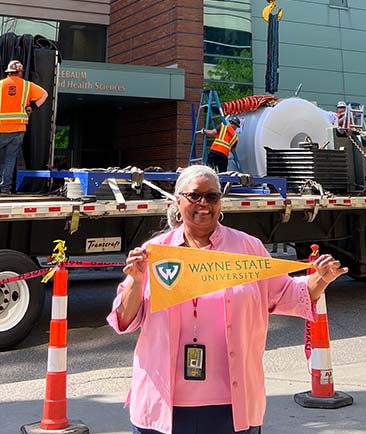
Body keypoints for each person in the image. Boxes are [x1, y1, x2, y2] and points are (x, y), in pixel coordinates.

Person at [107, 165, 348, 434]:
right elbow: (123, 320)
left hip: (231, 405)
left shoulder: (247, 248)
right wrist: (137, 282)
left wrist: (322, 278)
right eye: (194, 196)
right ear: (177, 201)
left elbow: (290, 295)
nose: (204, 204)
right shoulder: (155, 253)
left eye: (212, 197)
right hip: (163, 404)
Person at [0, 60, 48, 196]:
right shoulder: (27, 86)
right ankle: (5, 189)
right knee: (10, 158)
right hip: (18, 129)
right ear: (20, 72)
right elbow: (44, 95)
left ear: (8, 72)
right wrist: (31, 108)